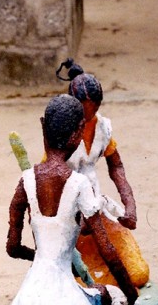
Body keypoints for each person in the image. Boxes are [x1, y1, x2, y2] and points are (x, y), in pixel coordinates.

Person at [4, 95, 131, 305]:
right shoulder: (78, 184)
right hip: (60, 287)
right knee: (101, 296)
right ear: (77, 135)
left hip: (31, 291)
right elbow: (107, 249)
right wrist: (129, 289)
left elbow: (12, 247)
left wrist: (40, 258)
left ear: (42, 126)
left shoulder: (25, 182)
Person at [55, 59, 149, 292]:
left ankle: (105, 277)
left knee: (138, 272)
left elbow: (116, 166)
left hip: (96, 208)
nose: (89, 116)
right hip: (68, 217)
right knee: (79, 281)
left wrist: (130, 205)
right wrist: (75, 216)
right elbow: (49, 176)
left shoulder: (103, 128)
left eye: (94, 109)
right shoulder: (60, 128)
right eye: (84, 111)